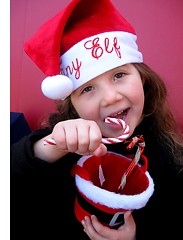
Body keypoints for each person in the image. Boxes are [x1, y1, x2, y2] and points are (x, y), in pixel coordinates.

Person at [11, 0, 183, 239]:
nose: (110, 97)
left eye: (119, 74)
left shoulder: (168, 152)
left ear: (142, 79)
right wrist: (48, 146)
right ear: (73, 104)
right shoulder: (65, 147)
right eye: (88, 88)